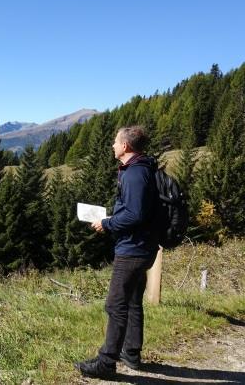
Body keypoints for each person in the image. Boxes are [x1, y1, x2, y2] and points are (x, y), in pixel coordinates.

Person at [75, 125, 159, 379]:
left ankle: (106, 363)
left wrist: (108, 223)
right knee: (133, 300)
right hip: (143, 246)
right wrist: (112, 218)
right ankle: (131, 353)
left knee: (115, 305)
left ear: (125, 146)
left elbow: (135, 214)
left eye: (115, 142)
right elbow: (137, 210)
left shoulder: (134, 174)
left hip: (132, 250)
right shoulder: (143, 169)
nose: (112, 145)